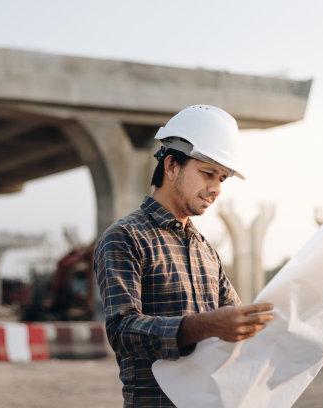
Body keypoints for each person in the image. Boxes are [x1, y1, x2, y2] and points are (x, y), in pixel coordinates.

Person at [94, 104, 275, 407]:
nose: (216, 188)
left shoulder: (206, 251)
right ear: (171, 166)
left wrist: (318, 326)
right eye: (207, 173)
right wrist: (205, 326)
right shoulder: (125, 237)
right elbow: (121, 331)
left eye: (223, 178)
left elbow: (243, 328)